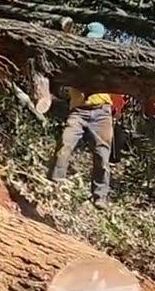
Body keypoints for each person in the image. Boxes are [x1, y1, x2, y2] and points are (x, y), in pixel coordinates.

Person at [49, 21, 116, 208]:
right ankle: (55, 181)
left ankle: (100, 196)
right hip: (78, 110)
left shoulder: (109, 59)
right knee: (65, 143)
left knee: (102, 156)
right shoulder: (73, 55)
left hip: (102, 112)